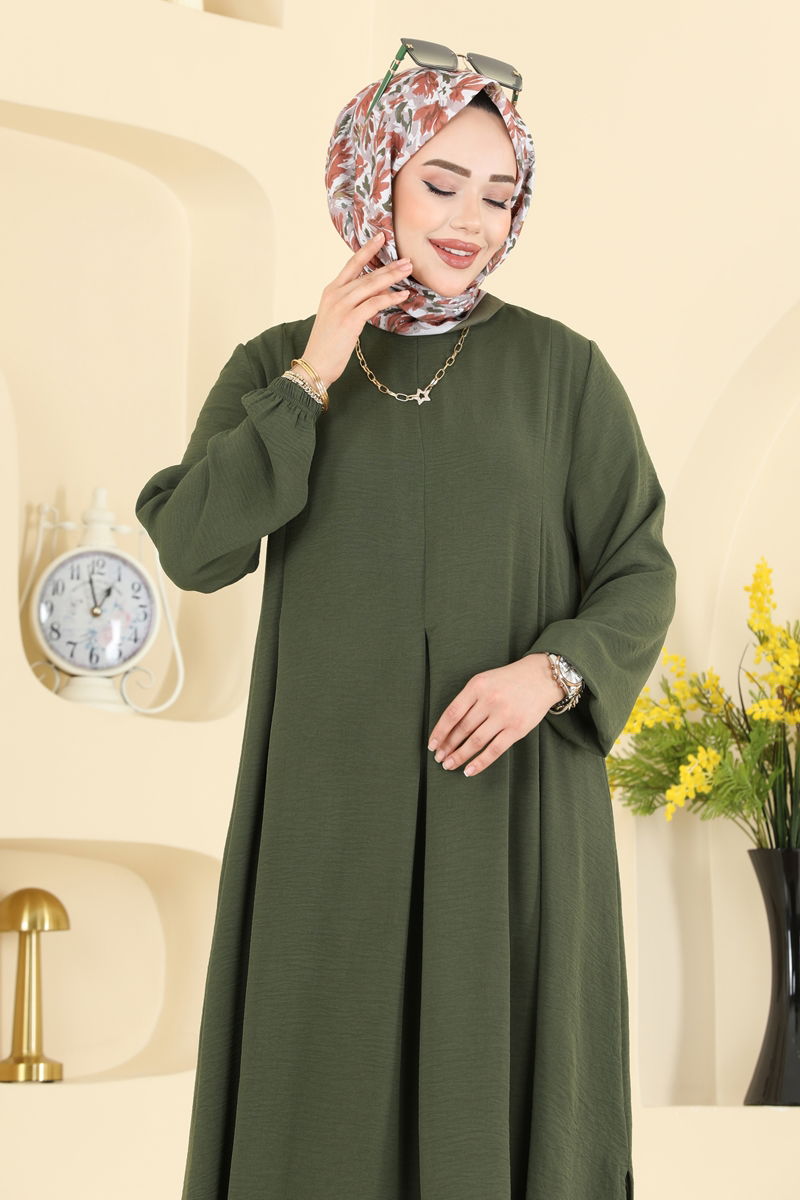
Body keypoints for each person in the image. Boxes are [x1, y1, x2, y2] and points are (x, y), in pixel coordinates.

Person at [135, 46, 676, 1200]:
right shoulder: (276, 364)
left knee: (503, 1078)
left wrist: (552, 673)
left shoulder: (564, 374)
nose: (469, 221)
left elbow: (636, 567)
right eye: (440, 182)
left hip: (509, 804)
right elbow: (194, 548)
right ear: (372, 172)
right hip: (331, 809)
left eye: (498, 195)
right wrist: (312, 376)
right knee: (322, 1092)